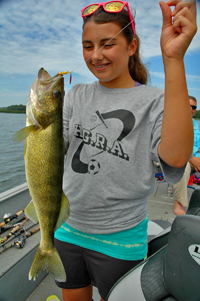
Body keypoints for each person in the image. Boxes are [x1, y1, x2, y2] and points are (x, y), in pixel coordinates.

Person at [54, 1, 197, 301]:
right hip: (66, 227)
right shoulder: (76, 95)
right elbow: (53, 154)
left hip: (120, 238)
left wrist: (173, 59)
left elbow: (175, 158)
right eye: (87, 45)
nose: (96, 55)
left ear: (132, 46)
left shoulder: (155, 101)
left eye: (108, 44)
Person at [173, 95, 200, 215]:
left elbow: (197, 145)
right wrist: (190, 158)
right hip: (178, 158)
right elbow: (172, 145)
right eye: (189, 105)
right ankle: (178, 205)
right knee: (183, 166)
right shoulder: (173, 121)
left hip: (194, 157)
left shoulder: (194, 123)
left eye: (194, 107)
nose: (191, 109)